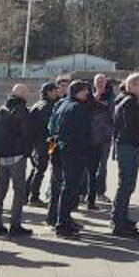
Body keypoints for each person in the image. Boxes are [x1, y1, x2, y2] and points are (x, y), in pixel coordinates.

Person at [48, 80, 95, 236]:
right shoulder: (77, 107)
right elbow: (81, 133)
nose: (87, 93)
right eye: (85, 90)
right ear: (78, 92)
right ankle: (62, 224)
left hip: (62, 150)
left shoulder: (63, 104)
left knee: (65, 187)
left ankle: (63, 220)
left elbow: (53, 127)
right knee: (69, 188)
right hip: (73, 152)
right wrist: (86, 151)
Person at [0, 84, 35, 237]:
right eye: (26, 92)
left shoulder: (2, 109)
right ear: (22, 94)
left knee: (0, 190)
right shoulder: (22, 110)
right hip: (17, 156)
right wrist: (28, 152)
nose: (28, 95)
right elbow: (27, 134)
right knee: (19, 192)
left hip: (3, 156)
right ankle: (15, 225)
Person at [110, 73, 139, 238]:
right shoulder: (129, 102)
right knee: (126, 185)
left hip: (127, 146)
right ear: (131, 86)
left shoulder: (125, 100)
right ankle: (119, 222)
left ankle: (121, 218)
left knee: (126, 185)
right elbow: (130, 127)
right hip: (129, 147)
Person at [26, 82, 61, 206]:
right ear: (49, 92)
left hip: (42, 142)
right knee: (40, 168)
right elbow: (49, 126)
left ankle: (26, 194)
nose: (57, 93)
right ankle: (34, 197)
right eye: (55, 90)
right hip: (44, 142)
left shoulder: (40, 103)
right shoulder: (46, 106)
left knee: (37, 168)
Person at [87, 74, 116, 210]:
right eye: (97, 81)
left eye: (102, 81)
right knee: (88, 168)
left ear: (106, 83)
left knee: (102, 166)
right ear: (94, 83)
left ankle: (100, 192)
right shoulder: (88, 95)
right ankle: (86, 193)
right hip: (89, 137)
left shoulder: (110, 97)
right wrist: (94, 98)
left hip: (105, 137)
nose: (100, 83)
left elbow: (113, 114)